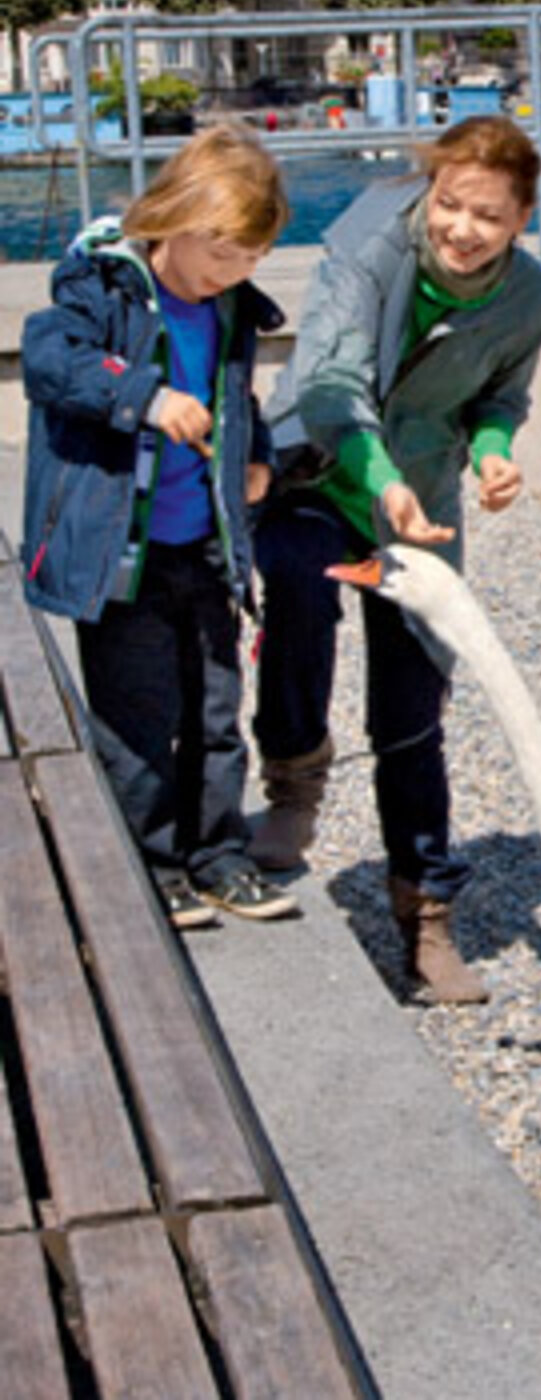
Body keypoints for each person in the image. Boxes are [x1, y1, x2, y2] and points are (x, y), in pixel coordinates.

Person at [251, 114, 541, 1003]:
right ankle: (294, 777)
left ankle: (424, 915)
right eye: (450, 204)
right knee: (301, 587)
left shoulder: (528, 298)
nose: (462, 228)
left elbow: (501, 397)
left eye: (487, 216)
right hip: (321, 470)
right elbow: (333, 382)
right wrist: (379, 479)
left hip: (420, 506)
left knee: (413, 706)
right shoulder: (370, 246)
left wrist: (495, 452)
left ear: (520, 220)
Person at [21, 121, 298, 929]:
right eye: (220, 256)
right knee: (138, 719)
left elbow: (235, 399)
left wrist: (261, 459)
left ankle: (219, 855)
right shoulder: (99, 290)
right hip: (123, 554)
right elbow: (50, 362)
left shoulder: (231, 305)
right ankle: (153, 861)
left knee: (215, 710)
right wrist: (142, 396)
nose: (232, 275)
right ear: (174, 221)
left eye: (249, 260)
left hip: (205, 541)